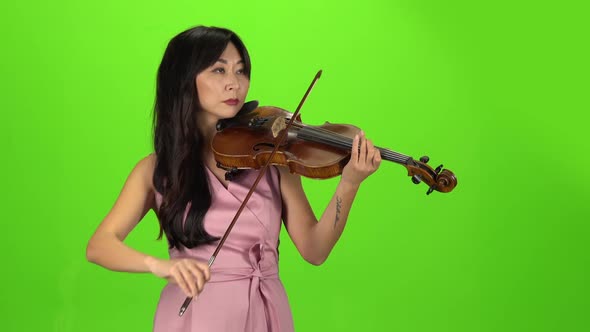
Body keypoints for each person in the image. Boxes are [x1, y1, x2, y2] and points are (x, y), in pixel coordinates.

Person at [86, 25, 381, 332]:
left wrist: (349, 183)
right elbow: (99, 246)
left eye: (241, 71)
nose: (234, 84)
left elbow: (315, 250)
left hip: (267, 313)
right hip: (194, 318)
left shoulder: (272, 158)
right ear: (184, 80)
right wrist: (160, 266)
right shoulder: (154, 171)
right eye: (219, 70)